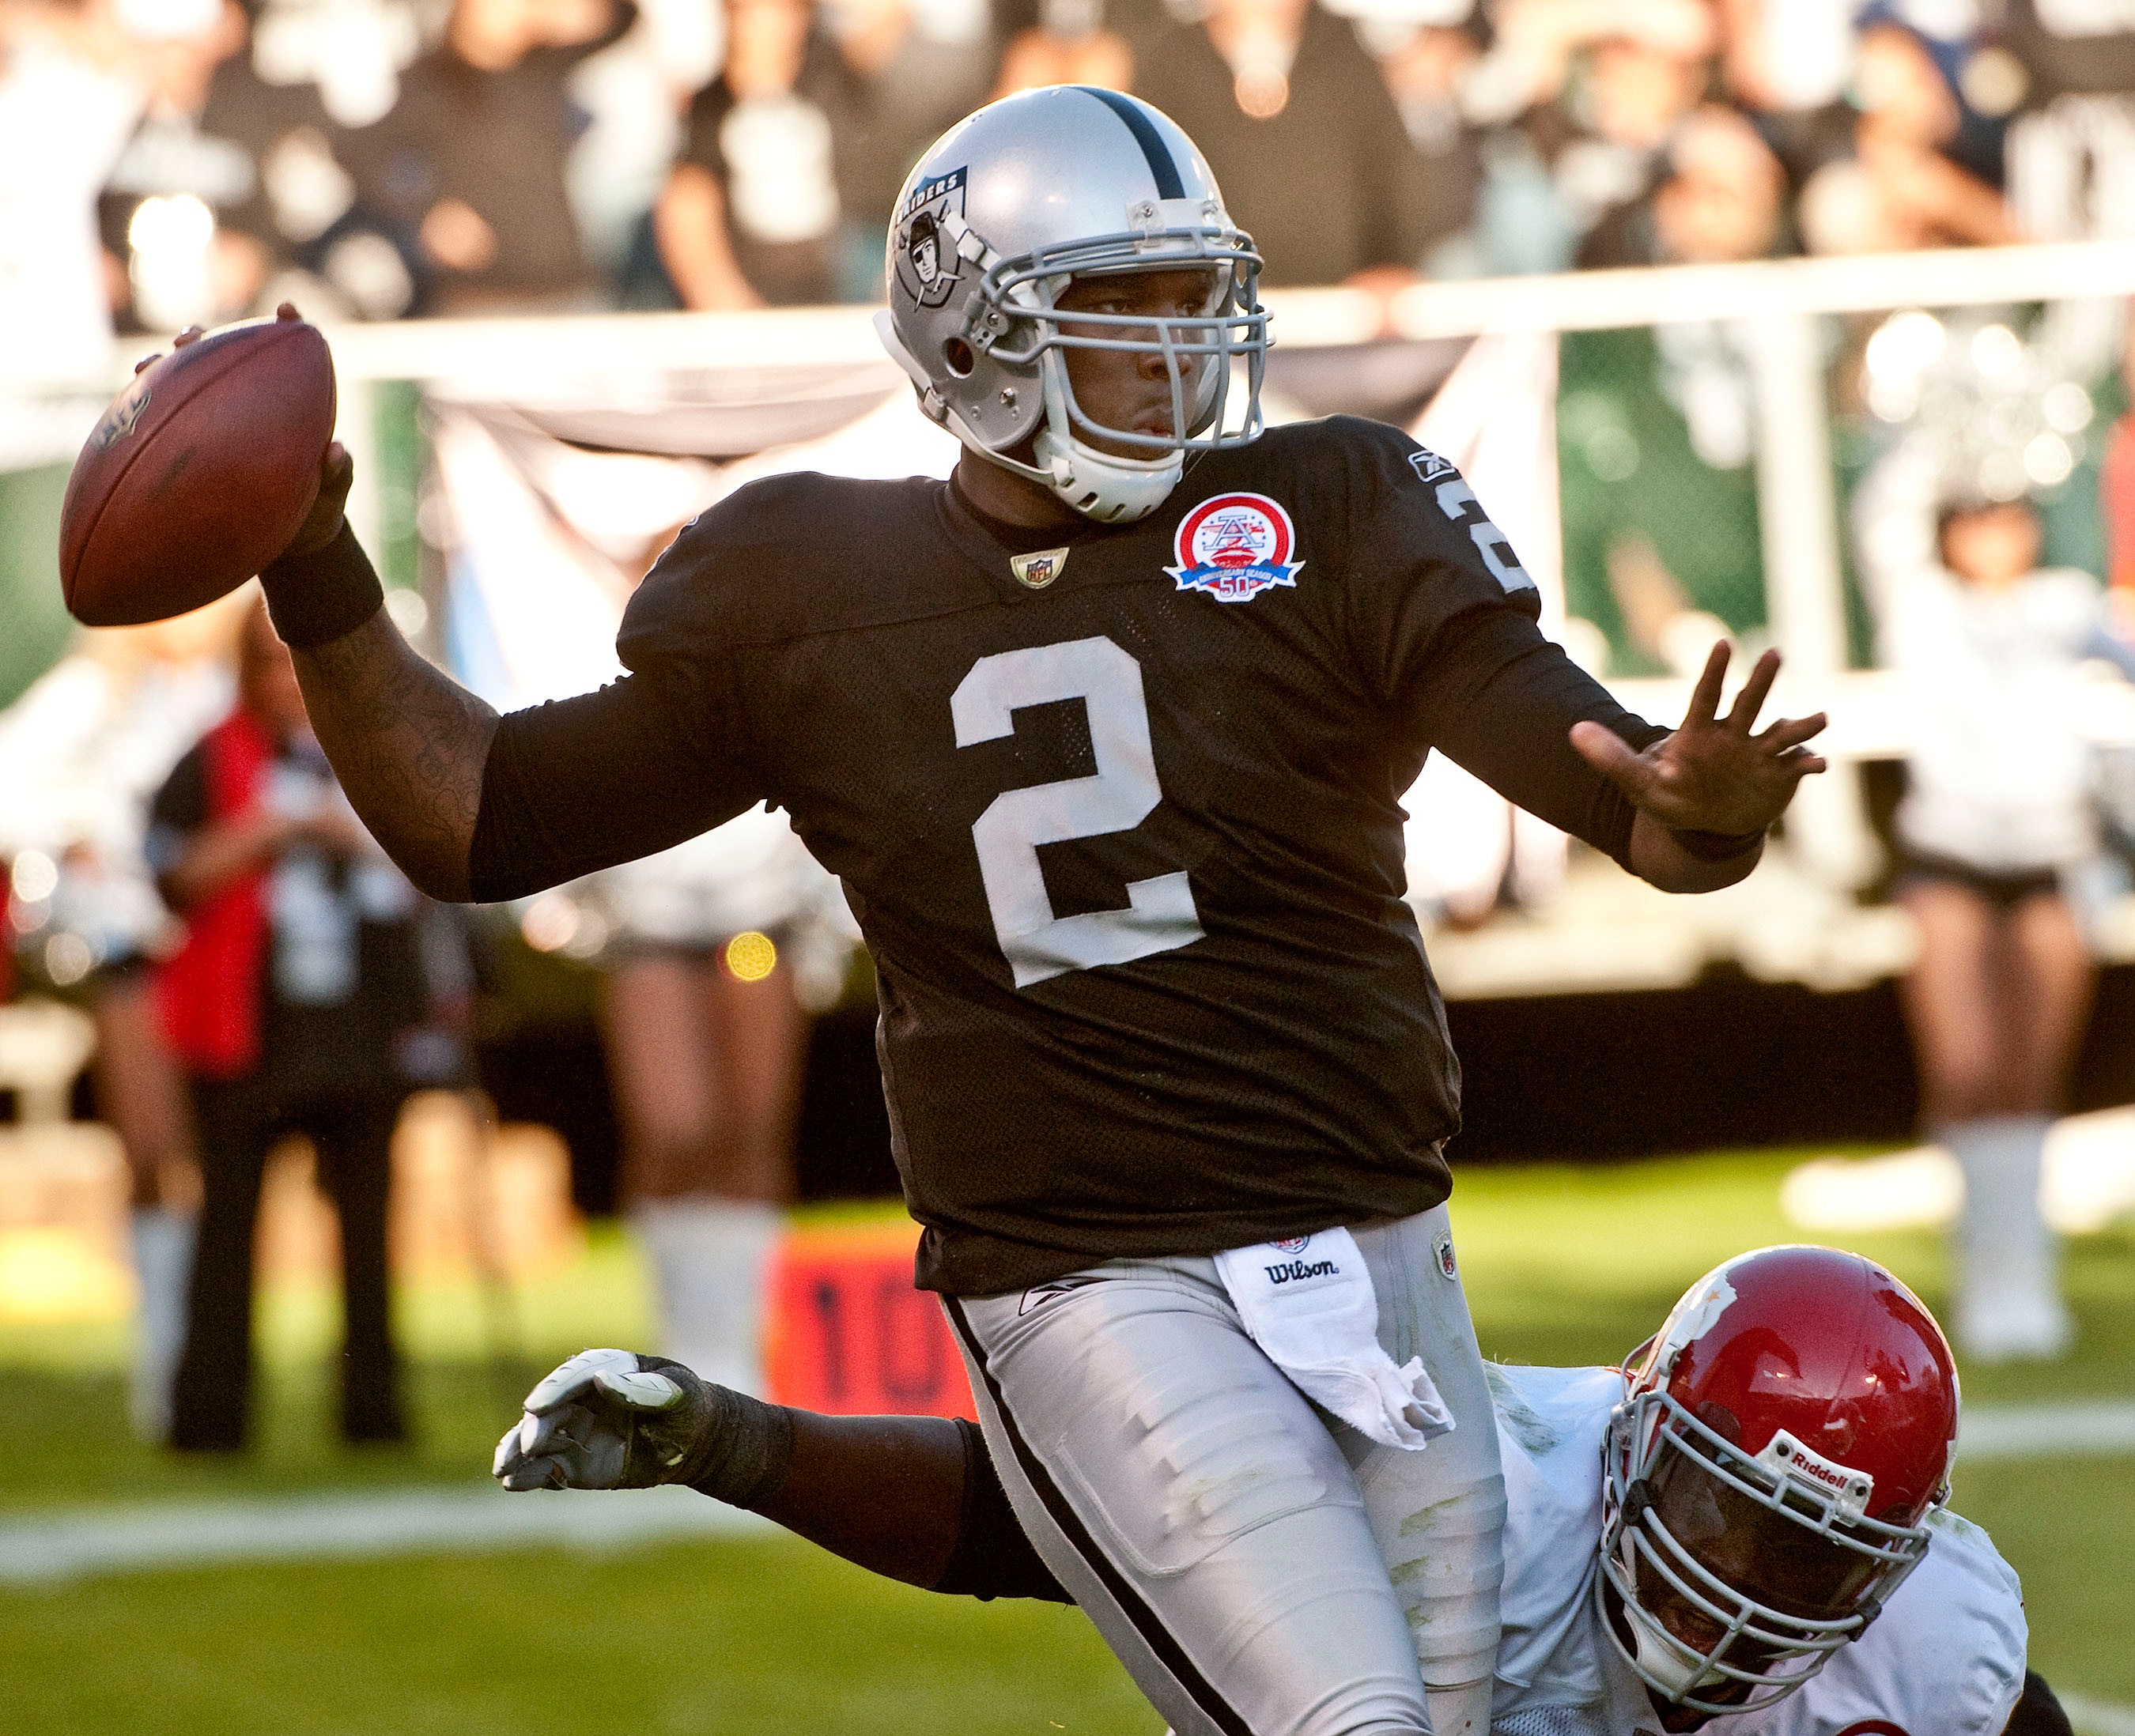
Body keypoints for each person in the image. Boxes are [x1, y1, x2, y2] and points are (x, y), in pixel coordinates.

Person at [246, 88, 1825, 1736]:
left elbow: (1593, 771)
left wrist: (1677, 808)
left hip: (1376, 1243)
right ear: (972, 334)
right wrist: (316, 567)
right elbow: (481, 814)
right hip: (1088, 1277)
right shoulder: (807, 583)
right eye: (1114, 309)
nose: (1173, 349)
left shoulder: (1336, 509)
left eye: (1189, 299)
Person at [496, 1244, 2060, 1736]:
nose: (1740, 1585)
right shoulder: (1473, 1495)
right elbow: (1060, 1525)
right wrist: (740, 1445)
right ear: (1637, 1441)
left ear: (1887, 1571)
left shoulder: (1938, 1663)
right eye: (1726, 1517)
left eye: (1807, 1560)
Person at [146, 600, 445, 1451]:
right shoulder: (210, 756)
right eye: (272, 666)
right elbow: (172, 876)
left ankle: (374, 1412)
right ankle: (210, 1417)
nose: (289, 686)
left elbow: (441, 867)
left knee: (367, 1228)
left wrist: (346, 835)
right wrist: (264, 832)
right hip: (249, 1034)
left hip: (362, 1026)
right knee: (229, 1225)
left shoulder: (383, 754)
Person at [1880, 492, 2135, 1364]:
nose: (1995, 537)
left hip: (2051, 857)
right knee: (1965, 1070)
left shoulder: (2068, 602)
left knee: (2032, 1076)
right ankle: (1982, 1278)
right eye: (1974, 518)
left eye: (2012, 515)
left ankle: (2029, 1278)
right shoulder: (1917, 603)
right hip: (1948, 859)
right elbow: (1883, 505)